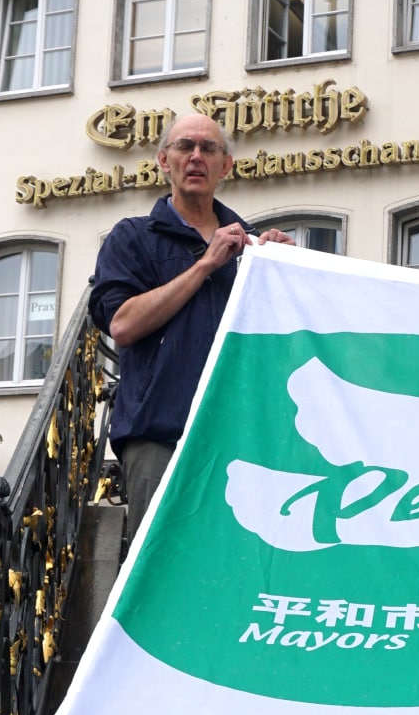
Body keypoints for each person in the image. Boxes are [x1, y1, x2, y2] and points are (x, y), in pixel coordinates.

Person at [90, 111, 285, 546]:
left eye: (209, 148)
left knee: (237, 566)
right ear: (164, 160)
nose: (196, 156)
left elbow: (283, 339)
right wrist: (205, 265)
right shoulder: (133, 237)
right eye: (184, 147)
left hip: (242, 438)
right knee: (160, 565)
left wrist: (288, 270)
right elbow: (121, 324)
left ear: (226, 166)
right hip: (160, 436)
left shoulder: (253, 248)